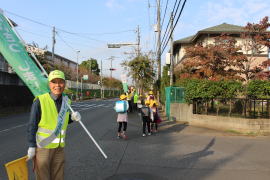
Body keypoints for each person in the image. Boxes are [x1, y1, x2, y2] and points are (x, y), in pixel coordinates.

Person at [26, 70, 81, 180]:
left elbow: (61, 121)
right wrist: (32, 146)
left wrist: (72, 118)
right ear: (49, 84)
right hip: (43, 148)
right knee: (43, 177)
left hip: (59, 148)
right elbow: (32, 125)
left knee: (59, 176)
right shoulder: (40, 101)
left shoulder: (67, 101)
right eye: (54, 82)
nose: (57, 85)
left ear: (64, 84)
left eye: (60, 82)